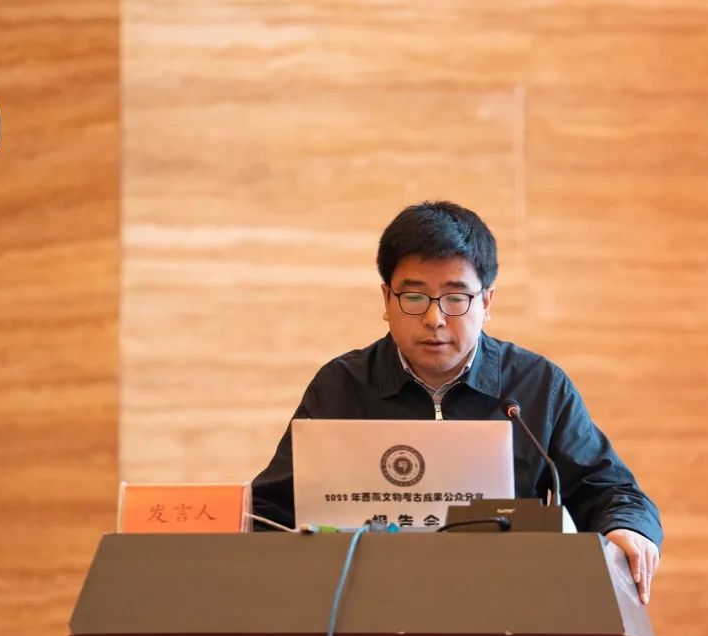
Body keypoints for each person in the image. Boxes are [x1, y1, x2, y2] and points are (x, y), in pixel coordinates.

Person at [252, 201, 663, 604]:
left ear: (486, 303)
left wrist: (628, 529)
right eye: (414, 297)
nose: (434, 319)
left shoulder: (536, 386)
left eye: (455, 298)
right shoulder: (342, 387)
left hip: (508, 608)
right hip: (365, 608)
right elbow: (269, 509)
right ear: (387, 300)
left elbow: (611, 492)